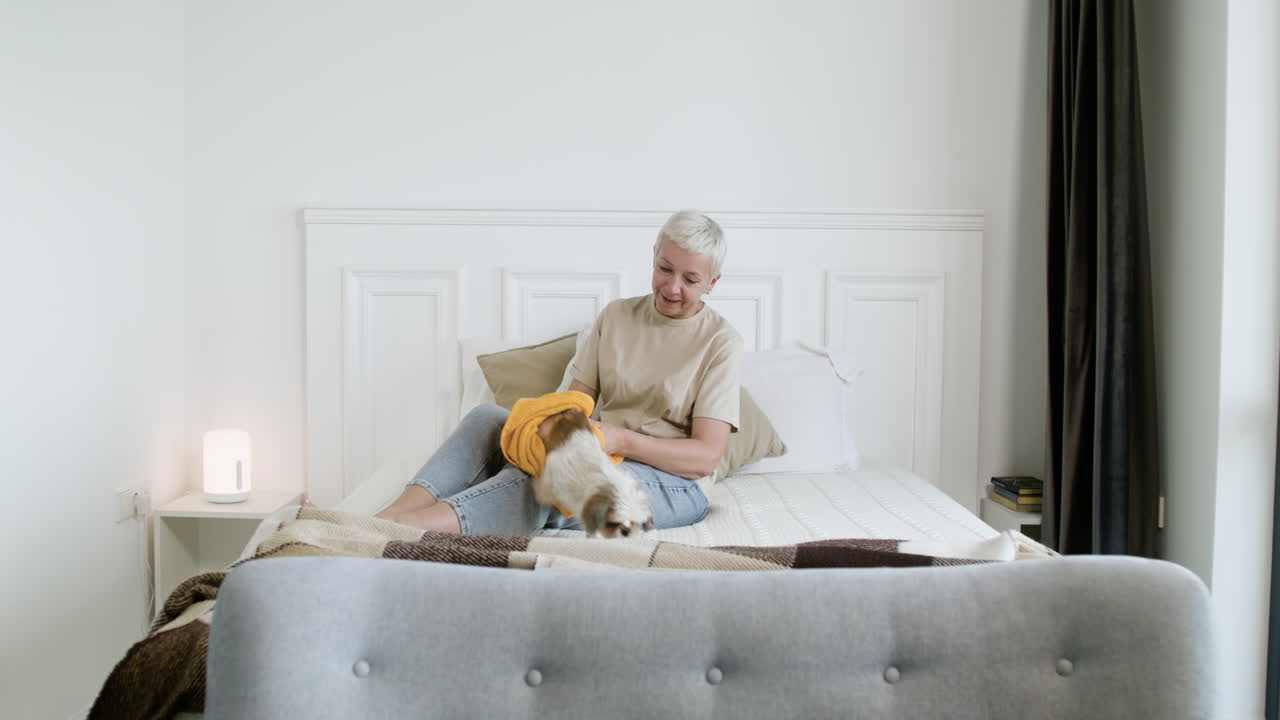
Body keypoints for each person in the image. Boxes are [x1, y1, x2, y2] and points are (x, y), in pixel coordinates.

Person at [375, 209, 742, 535]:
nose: (673, 287)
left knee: (555, 478)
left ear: (712, 283)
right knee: (488, 418)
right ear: (654, 256)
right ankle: (386, 516)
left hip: (675, 484)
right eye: (665, 269)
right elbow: (575, 401)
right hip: (600, 453)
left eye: (690, 279)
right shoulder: (616, 317)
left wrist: (620, 440)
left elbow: (705, 457)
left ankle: (406, 529)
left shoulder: (720, 342)